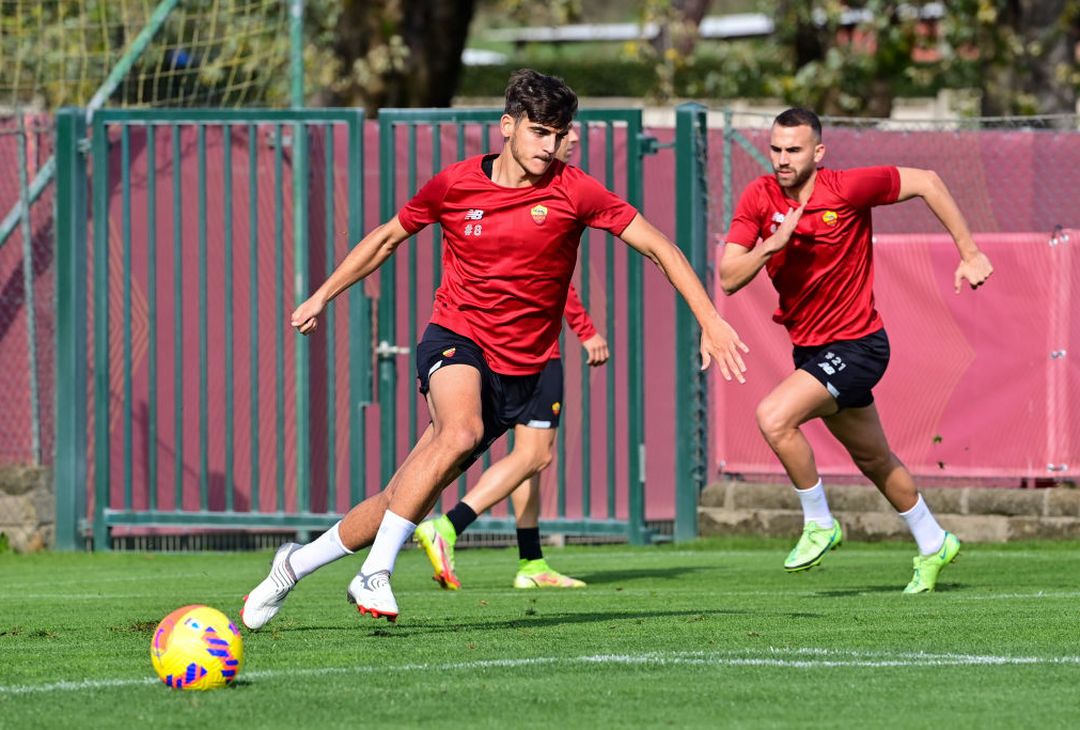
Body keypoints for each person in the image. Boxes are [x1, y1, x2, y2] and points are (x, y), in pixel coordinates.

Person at [241, 69, 749, 628]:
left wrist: (710, 320)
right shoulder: (454, 184)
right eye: (539, 132)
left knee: (400, 497)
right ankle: (375, 571)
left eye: (560, 134)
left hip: (520, 370)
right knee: (460, 431)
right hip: (454, 336)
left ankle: (293, 565)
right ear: (508, 126)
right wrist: (322, 295)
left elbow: (658, 246)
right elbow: (386, 238)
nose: (550, 146)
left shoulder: (576, 190)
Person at [719, 107, 993, 593]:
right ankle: (934, 541)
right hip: (810, 351)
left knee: (774, 417)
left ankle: (819, 522)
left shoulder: (845, 188)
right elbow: (728, 276)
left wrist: (969, 253)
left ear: (818, 152)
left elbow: (928, 181)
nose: (782, 159)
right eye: (776, 149)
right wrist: (770, 245)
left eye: (794, 150)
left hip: (859, 345)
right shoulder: (759, 196)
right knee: (874, 459)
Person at [414, 124, 605, 591]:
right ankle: (449, 526)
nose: (563, 144)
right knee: (535, 454)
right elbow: (549, 281)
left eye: (565, 136)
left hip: (520, 348)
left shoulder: (561, 187)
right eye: (556, 134)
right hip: (532, 353)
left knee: (526, 457)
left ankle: (531, 561)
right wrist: (585, 331)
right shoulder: (535, 188)